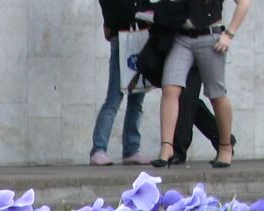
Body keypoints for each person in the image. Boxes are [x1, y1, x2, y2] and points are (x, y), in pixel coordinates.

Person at [156, 0, 250, 169]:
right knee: (170, 87)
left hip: (210, 36)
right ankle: (166, 147)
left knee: (216, 94)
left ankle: (225, 146)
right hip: (181, 37)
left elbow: (244, 3)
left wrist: (229, 34)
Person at [91, 0, 149, 165]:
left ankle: (131, 149)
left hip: (141, 35)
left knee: (137, 98)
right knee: (114, 98)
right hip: (122, 35)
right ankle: (99, 149)